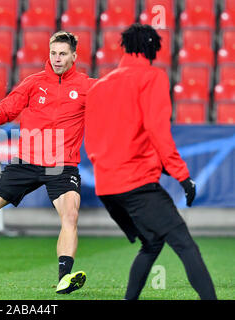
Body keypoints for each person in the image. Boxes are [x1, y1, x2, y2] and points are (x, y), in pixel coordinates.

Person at [0, 31, 97, 294]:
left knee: (70, 216)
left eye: (63, 54)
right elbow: (8, 107)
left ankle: (64, 278)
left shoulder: (86, 86)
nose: (57, 59)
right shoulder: (34, 83)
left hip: (61, 165)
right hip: (25, 162)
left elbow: (114, 102)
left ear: (73, 57)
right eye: (53, 53)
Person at [84, 24, 217, 300]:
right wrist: (181, 176)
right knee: (185, 244)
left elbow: (102, 140)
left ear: (126, 47)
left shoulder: (99, 87)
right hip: (136, 185)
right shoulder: (151, 77)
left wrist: (161, 167)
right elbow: (158, 131)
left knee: (152, 243)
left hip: (107, 187)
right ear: (153, 48)